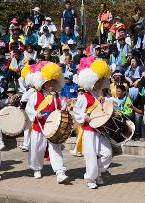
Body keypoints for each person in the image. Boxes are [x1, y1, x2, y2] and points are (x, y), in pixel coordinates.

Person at [25, 61, 69, 184]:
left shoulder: (58, 96)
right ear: (43, 83)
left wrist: (65, 109)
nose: (51, 85)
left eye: (53, 82)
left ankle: (60, 172)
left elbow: (63, 107)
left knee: (55, 149)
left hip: (53, 128)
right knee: (37, 149)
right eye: (49, 83)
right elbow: (28, 109)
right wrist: (35, 114)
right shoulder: (36, 95)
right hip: (39, 127)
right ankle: (36, 168)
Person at [72, 57, 112, 189]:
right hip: (89, 131)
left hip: (100, 130)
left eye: (101, 80)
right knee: (91, 157)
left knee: (107, 154)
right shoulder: (83, 97)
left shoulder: (99, 96)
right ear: (91, 80)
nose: (101, 82)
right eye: (98, 80)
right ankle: (90, 178)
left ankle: (97, 172)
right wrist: (85, 117)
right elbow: (77, 111)